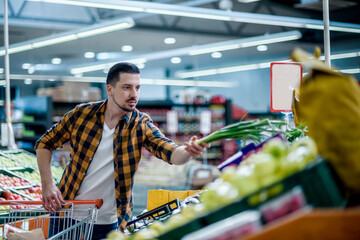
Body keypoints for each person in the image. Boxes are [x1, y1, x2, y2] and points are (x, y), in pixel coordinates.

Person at [35, 62, 210, 239]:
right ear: (110, 89)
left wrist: (189, 150)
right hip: (66, 212)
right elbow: (44, 143)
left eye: (137, 88)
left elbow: (172, 153)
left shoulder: (140, 124)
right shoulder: (82, 114)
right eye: (127, 87)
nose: (134, 94)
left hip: (108, 222)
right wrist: (48, 184)